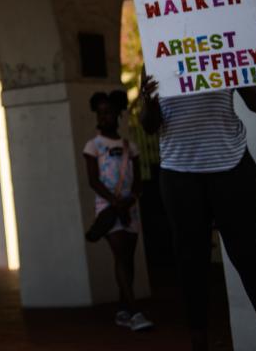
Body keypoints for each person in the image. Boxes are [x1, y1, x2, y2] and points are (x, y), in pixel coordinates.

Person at [141, 65, 256, 351]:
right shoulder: (158, 54)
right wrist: (148, 100)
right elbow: (149, 125)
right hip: (180, 174)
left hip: (231, 168)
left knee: (248, 259)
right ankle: (199, 343)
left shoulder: (221, 47)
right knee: (191, 263)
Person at [82, 89, 154, 332]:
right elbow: (93, 180)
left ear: (118, 115)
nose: (105, 117)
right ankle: (134, 311)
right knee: (120, 255)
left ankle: (123, 309)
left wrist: (131, 199)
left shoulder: (129, 146)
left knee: (128, 259)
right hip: (109, 207)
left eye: (109, 113)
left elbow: (138, 178)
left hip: (129, 207)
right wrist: (115, 202)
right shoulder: (93, 146)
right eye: (101, 113)